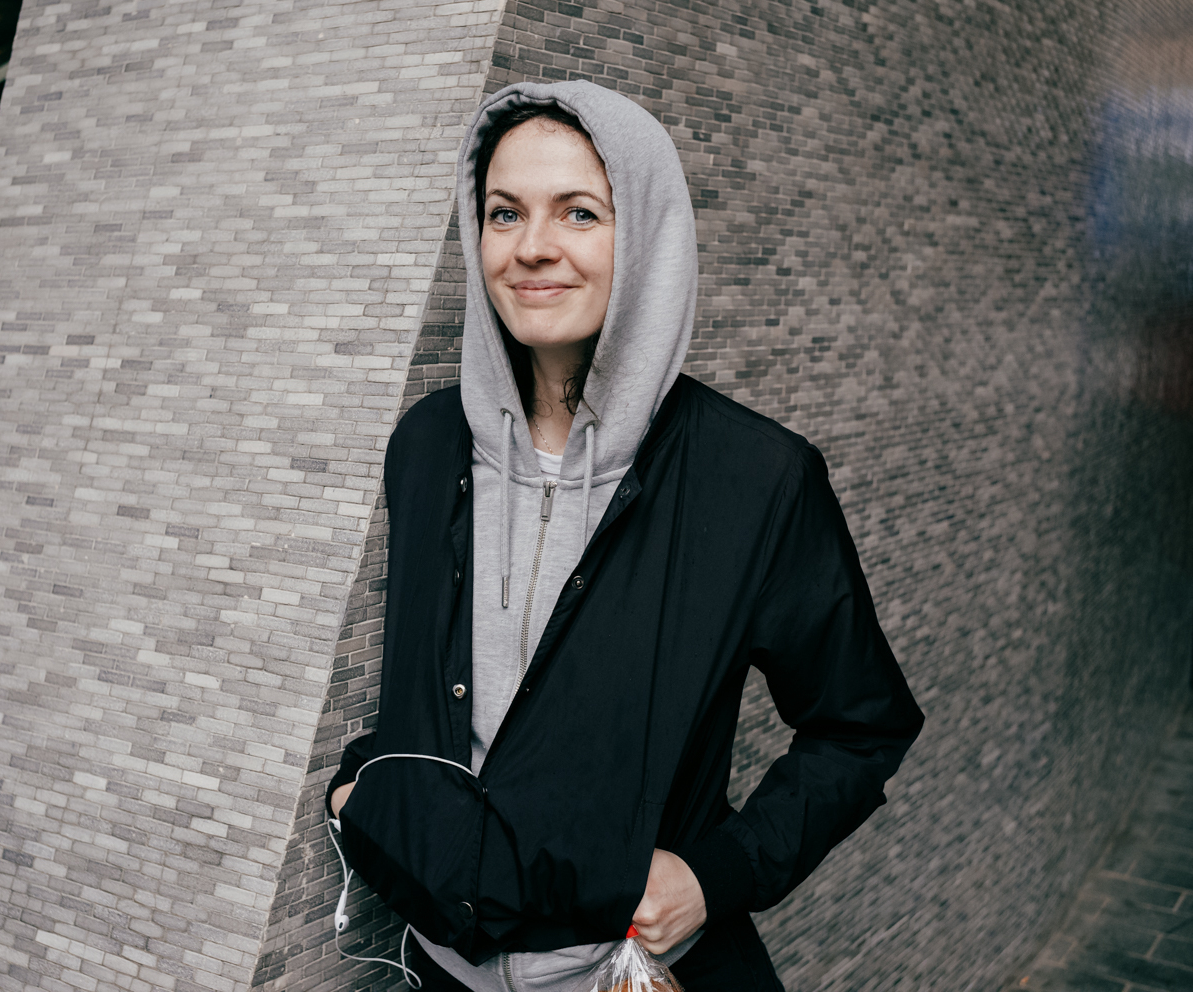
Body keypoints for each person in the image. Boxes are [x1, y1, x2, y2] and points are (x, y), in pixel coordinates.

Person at [325, 79, 925, 992]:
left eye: (578, 212)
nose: (533, 248)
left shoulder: (756, 478)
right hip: (440, 971)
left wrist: (715, 874)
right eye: (503, 212)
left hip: (624, 976)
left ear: (644, 231)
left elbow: (860, 726)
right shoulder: (425, 445)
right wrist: (362, 788)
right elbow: (422, 685)